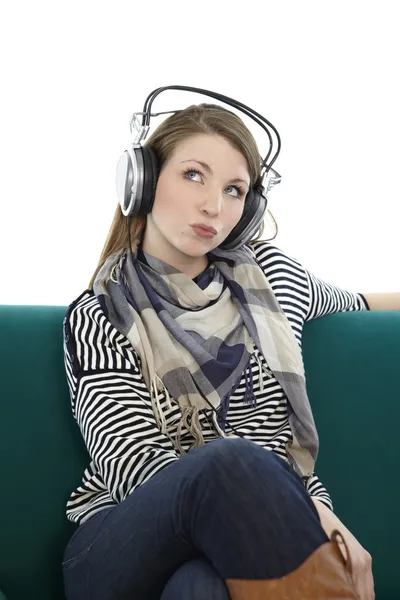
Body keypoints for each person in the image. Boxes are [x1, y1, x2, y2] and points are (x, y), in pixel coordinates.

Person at [62, 101, 375, 599]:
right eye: (193, 175)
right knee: (229, 461)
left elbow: (361, 302)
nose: (214, 206)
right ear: (142, 182)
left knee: (199, 588)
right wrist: (301, 506)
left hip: (243, 548)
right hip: (118, 543)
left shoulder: (275, 281)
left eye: (234, 190)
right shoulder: (99, 313)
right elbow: (134, 463)